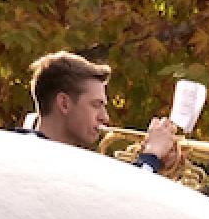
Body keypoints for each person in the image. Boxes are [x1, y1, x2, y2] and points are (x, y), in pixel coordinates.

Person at [26, 51, 181, 174]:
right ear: (64, 104)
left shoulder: (73, 161)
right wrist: (151, 155)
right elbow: (123, 204)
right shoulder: (32, 156)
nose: (105, 117)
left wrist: (158, 164)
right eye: (96, 105)